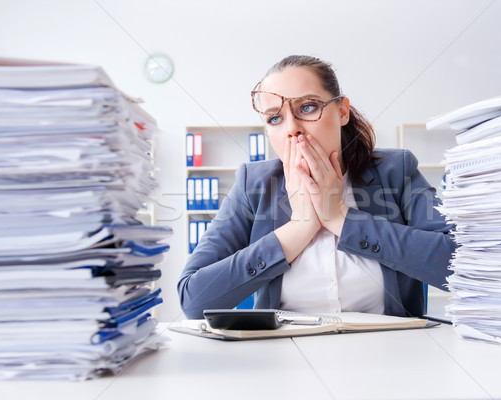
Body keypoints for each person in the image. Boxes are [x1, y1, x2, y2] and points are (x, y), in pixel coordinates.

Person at [178, 55, 456, 319]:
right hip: (285, 356)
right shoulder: (254, 185)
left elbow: (460, 266)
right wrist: (299, 227)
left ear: (342, 111)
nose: (292, 128)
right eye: (275, 118)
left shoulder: (396, 171)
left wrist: (340, 218)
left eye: (307, 108)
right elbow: (193, 300)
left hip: (391, 353)